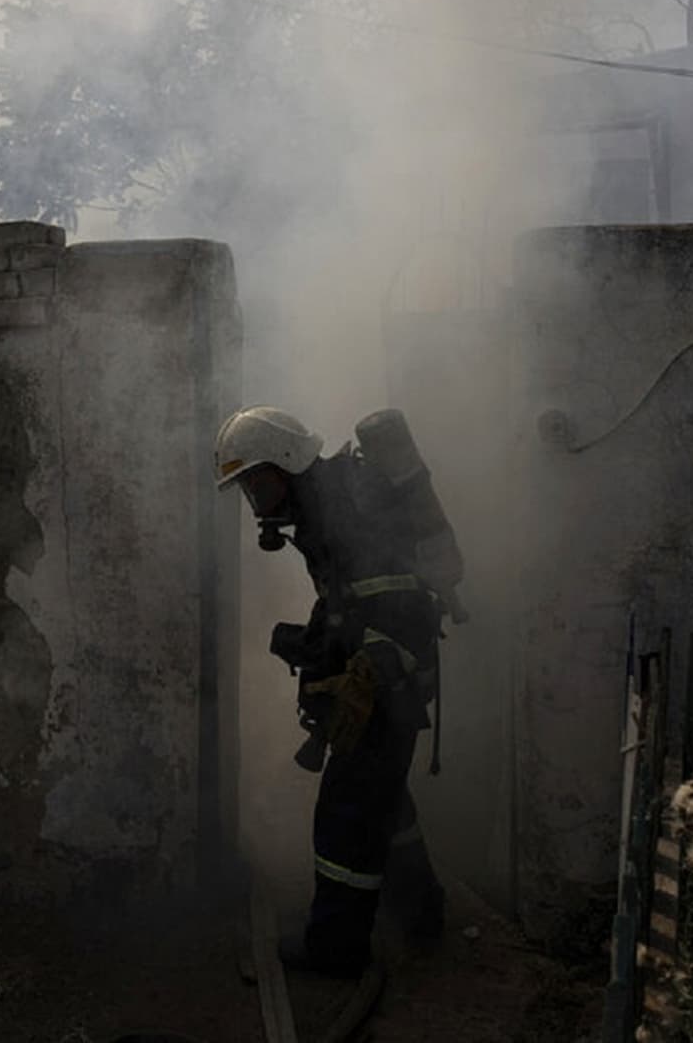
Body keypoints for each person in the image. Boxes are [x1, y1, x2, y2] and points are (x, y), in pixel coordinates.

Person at [215, 404, 451, 978]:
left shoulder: (346, 504)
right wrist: (319, 641)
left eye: (257, 483)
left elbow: (398, 601)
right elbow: (354, 595)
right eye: (246, 489)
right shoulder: (325, 506)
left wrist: (364, 665)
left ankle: (335, 947)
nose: (254, 501)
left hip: (387, 684)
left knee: (345, 815)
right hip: (389, 679)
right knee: (386, 800)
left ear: (287, 464)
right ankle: (422, 915)